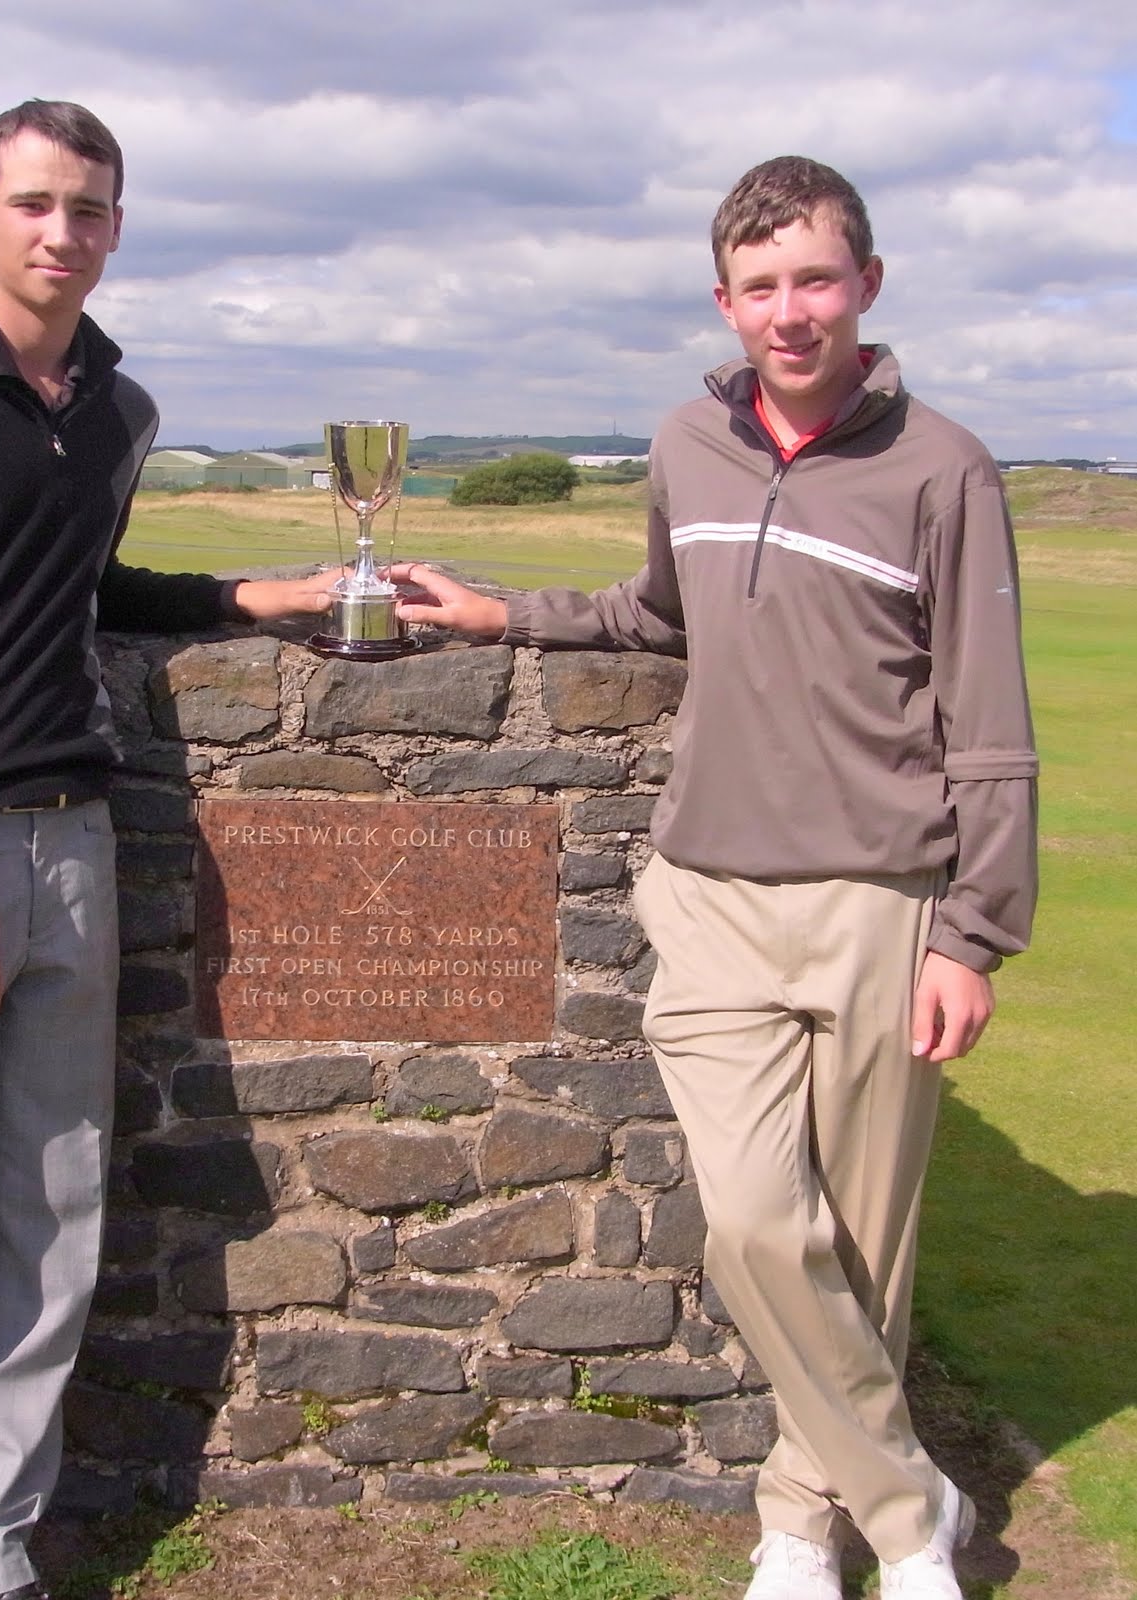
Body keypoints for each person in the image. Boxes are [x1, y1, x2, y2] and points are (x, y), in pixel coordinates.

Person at [395, 155, 1037, 1600]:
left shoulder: (945, 468)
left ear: (864, 287)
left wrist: (972, 935)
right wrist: (502, 612)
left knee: (860, 1252)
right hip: (712, 896)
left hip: (883, 905)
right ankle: (908, 1509)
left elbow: (987, 729)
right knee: (753, 1221)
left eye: (814, 280)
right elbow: (650, 614)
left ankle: (801, 1528)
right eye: (761, 287)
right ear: (724, 300)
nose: (788, 312)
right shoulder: (687, 440)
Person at [0, 99, 334, 1600]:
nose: (63, 233)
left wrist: (249, 596)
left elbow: (82, 586)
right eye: (35, 202)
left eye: (90, 208)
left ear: (116, 225)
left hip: (73, 849)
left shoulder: (117, 408)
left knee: (47, 1219)